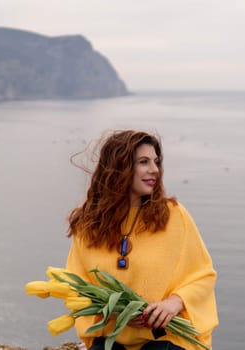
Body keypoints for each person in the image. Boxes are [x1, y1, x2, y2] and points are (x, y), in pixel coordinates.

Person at [65, 130, 218, 350]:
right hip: (113, 339)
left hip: (167, 338)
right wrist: (115, 312)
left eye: (156, 161)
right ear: (120, 167)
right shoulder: (88, 224)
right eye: (143, 162)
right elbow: (75, 288)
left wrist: (172, 304)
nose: (154, 169)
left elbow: (203, 275)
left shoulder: (174, 215)